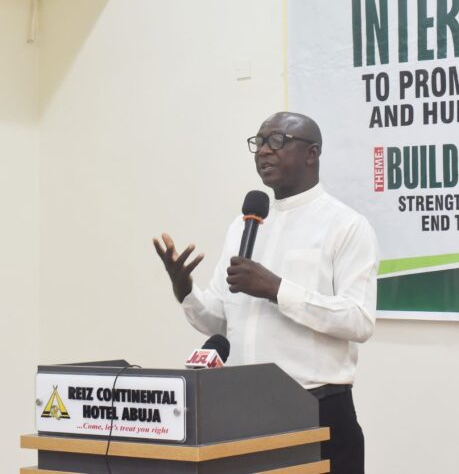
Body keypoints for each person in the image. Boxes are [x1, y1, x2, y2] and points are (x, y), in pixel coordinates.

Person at [153, 111, 378, 473]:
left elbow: (359, 320)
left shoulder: (346, 226)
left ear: (312, 153)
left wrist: (277, 289)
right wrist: (186, 291)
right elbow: (220, 322)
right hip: (244, 408)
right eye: (259, 142)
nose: (263, 151)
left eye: (277, 141)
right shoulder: (243, 225)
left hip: (317, 409)